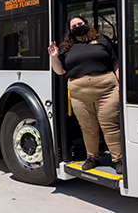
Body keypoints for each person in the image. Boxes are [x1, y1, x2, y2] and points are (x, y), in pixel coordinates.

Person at [48, 15, 122, 174]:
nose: (77, 26)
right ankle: (92, 158)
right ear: (70, 30)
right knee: (88, 127)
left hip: (107, 91)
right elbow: (60, 71)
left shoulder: (102, 40)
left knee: (110, 125)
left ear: (86, 24)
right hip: (80, 94)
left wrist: (120, 82)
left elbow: (115, 61)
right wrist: (54, 58)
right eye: (74, 25)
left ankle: (118, 160)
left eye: (80, 23)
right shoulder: (66, 47)